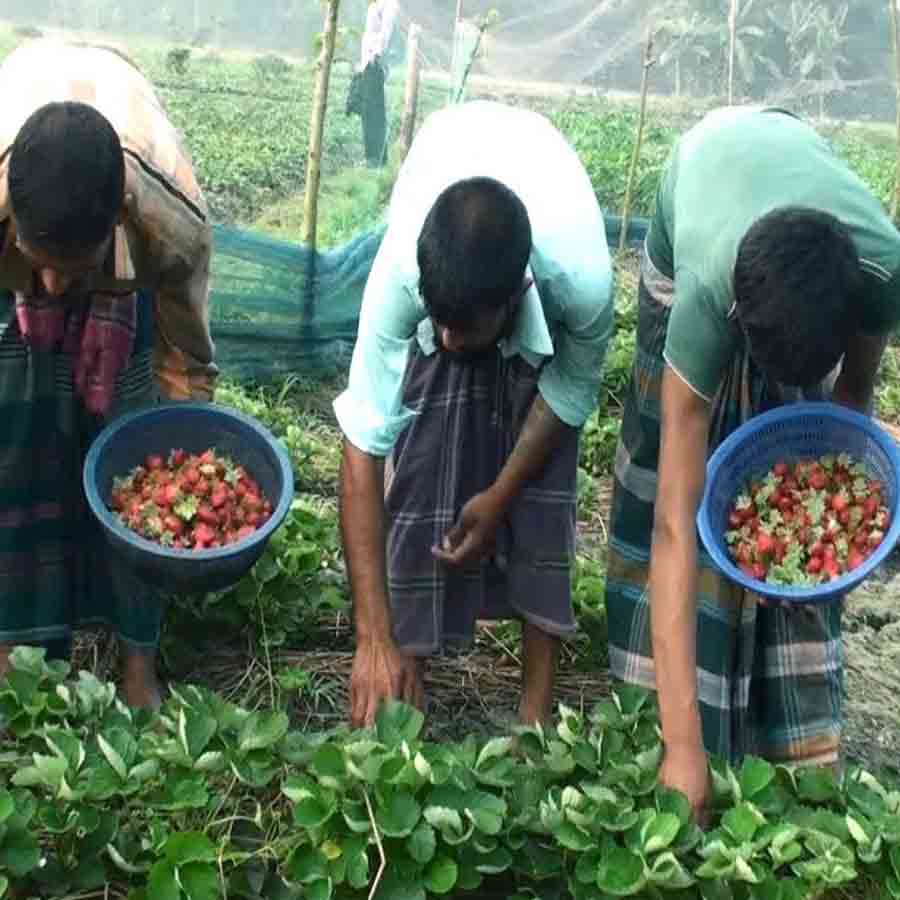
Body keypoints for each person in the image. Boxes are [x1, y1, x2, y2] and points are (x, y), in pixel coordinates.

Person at [604, 105, 900, 822]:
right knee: (673, 476)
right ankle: (666, 707)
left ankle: (790, 733)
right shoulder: (706, 293)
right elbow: (675, 525)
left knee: (796, 466)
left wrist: (814, 536)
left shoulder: (883, 271)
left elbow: (848, 411)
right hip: (702, 189)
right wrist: (684, 749)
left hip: (795, 207)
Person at [334, 100, 614, 729]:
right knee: (422, 458)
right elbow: (362, 446)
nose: (451, 340)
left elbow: (566, 395)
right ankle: (404, 666)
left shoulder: (582, 284)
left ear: (515, 296)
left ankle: (535, 712)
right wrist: (371, 636)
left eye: (468, 327)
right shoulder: (404, 273)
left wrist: (500, 493)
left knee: (545, 490)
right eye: (441, 323)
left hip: (541, 177)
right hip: (451, 159)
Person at [0, 40, 217, 707]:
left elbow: (184, 361)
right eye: (39, 262)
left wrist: (180, 463)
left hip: (127, 276)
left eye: (73, 269)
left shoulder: (170, 223)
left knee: (134, 449)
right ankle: (13, 647)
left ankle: (138, 662)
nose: (53, 284)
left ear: (116, 218)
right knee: (13, 429)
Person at [346, 0, 400, 167]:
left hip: (374, 63)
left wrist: (375, 56)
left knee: (374, 112)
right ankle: (373, 157)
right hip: (367, 62)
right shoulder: (374, 4)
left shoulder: (390, 4)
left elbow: (386, 31)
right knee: (368, 111)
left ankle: (375, 159)